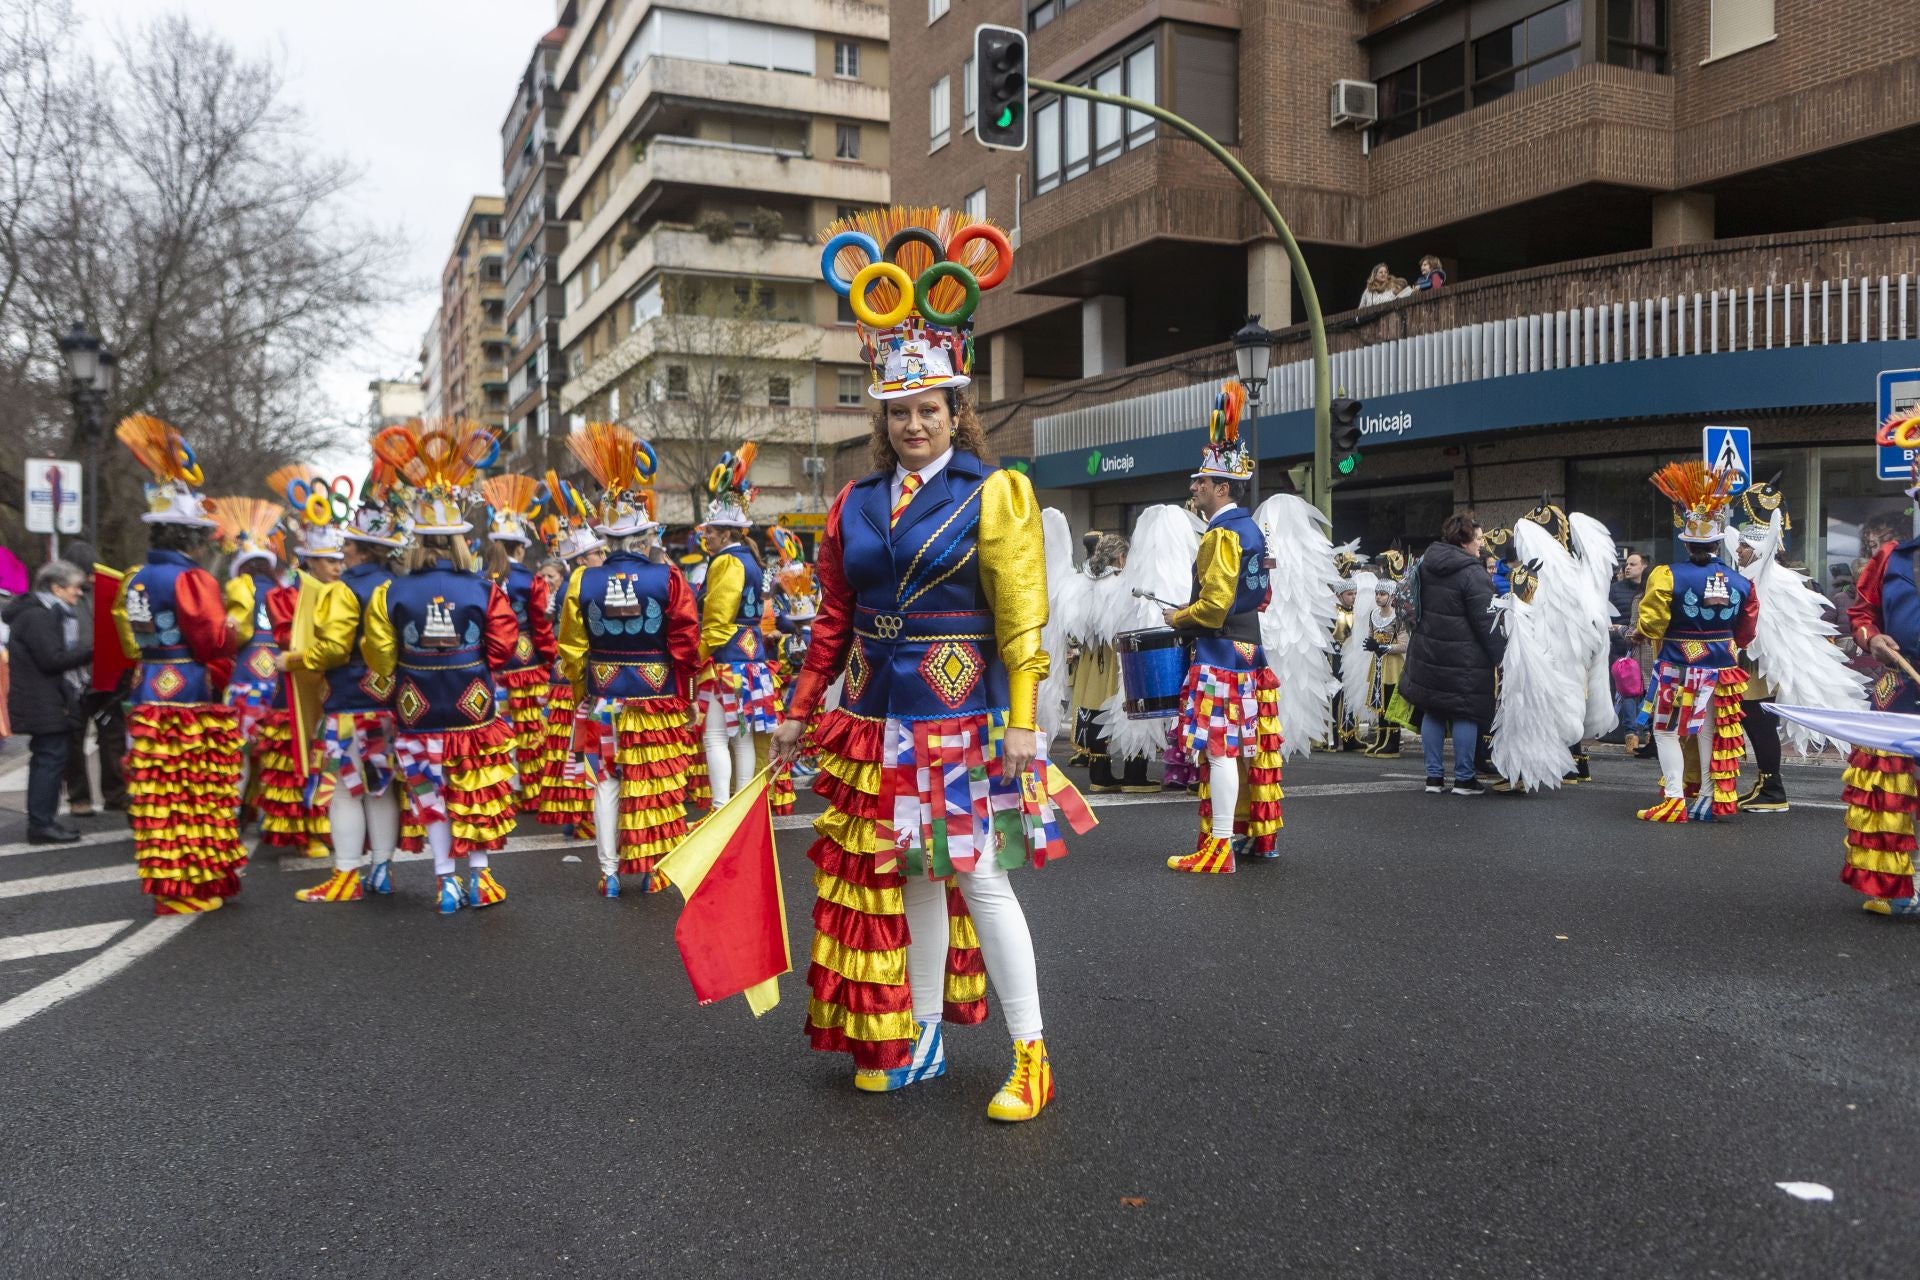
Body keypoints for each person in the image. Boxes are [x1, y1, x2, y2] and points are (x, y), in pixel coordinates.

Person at [771, 205, 1089, 1122]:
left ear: (957, 410)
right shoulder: (852, 505)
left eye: (928, 408)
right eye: (898, 411)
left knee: (980, 877)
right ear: (882, 416)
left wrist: (1025, 719)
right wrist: (800, 707)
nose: (914, 423)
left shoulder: (997, 493)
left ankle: (1032, 1055)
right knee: (911, 875)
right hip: (876, 718)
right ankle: (921, 1038)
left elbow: (1023, 615)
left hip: (960, 719)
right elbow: (834, 615)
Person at [361, 420, 520, 913]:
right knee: (473, 787)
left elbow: (379, 655)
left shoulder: (391, 591)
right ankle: (479, 878)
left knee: (430, 789)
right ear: (458, 539)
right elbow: (504, 646)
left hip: (417, 705)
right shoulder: (484, 587)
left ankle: (444, 879)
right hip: (471, 703)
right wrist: (471, 664)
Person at [556, 422, 700, 898]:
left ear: (605, 537)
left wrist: (584, 692)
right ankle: (654, 869)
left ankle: (609, 872)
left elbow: (572, 649)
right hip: (657, 694)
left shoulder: (582, 581)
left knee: (606, 784)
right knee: (655, 782)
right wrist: (688, 692)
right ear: (642, 535)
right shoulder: (669, 578)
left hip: (603, 695)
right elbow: (685, 642)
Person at [111, 415, 246, 913]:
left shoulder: (138, 576)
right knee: (192, 785)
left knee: (159, 790)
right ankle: (191, 885)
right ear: (188, 536)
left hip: (149, 683)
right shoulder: (191, 581)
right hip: (187, 685)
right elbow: (213, 639)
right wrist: (237, 628)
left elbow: (129, 634)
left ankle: (173, 884)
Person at [1161, 379, 1283, 872]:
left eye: (1201, 482)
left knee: (1220, 751)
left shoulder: (1221, 535)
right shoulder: (1252, 529)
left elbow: (1212, 608)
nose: (1194, 489)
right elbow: (1262, 595)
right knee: (1246, 747)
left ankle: (1220, 847)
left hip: (1220, 655)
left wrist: (1177, 617)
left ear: (1222, 487)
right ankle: (1254, 839)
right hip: (1250, 653)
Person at [284, 485, 410, 903]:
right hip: (391, 701)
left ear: (356, 548)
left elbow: (335, 649)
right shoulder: (399, 585)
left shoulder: (343, 590)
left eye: (347, 546)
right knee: (382, 785)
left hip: (349, 703)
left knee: (344, 789)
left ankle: (345, 875)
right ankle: (382, 870)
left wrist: (299, 660)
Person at [1633, 463, 1757, 823]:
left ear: (1685, 540)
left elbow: (1652, 624)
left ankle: (1674, 799)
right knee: (1707, 731)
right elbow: (1747, 631)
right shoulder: (1742, 582)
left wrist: (1641, 630)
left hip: (1677, 666)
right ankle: (1705, 796)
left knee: (1665, 731)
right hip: (1721, 666)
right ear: (1719, 541)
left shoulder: (1666, 575)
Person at [693, 446, 787, 812]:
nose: (707, 537)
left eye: (711, 531)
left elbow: (717, 621)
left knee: (718, 736)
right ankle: (746, 806)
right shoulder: (748, 559)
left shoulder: (727, 561)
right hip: (752, 659)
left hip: (727, 662)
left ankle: (722, 808)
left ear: (725, 532)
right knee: (744, 736)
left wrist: (696, 656)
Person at [1399, 512, 1505, 795]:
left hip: (1428, 650)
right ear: (1465, 540)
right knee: (1464, 713)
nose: (1482, 544)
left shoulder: (1425, 564)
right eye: (1479, 538)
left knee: (1433, 710)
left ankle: (1433, 778)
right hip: (1464, 657)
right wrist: (1501, 656)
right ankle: (1463, 778)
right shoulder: (1473, 572)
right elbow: (1487, 621)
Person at [479, 475, 557, 814]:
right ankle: (531, 791)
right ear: (520, 547)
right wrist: (551, 656)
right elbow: (541, 625)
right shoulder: (531, 579)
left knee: (500, 726)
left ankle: (502, 791)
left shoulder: (483, 579)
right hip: (527, 663)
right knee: (530, 729)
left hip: (493, 662)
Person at [536, 489, 609, 841]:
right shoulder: (579, 585)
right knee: (580, 746)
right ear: (581, 559)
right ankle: (583, 817)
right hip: (574, 678)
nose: (602, 557)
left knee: (572, 746)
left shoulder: (575, 583)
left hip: (565, 677)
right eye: (596, 553)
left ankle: (577, 815)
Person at [5, 559, 92, 844]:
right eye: (75, 588)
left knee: (49, 758)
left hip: (44, 697)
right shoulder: (39, 616)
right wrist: (92, 650)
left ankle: (44, 821)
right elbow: (51, 659)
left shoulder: (41, 613)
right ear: (56, 587)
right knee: (49, 760)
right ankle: (41, 824)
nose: (78, 593)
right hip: (42, 698)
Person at [57, 538, 125, 815]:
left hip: (107, 678)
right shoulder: (60, 595)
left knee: (112, 737)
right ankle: (79, 797)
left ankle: (116, 794)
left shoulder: (106, 591)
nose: (89, 577)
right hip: (73, 680)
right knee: (73, 741)